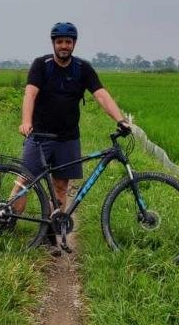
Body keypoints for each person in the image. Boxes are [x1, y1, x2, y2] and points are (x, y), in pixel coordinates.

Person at [15, 22, 130, 243]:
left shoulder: (82, 68)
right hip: (40, 136)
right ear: (53, 43)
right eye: (59, 42)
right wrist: (26, 122)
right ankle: (5, 222)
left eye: (68, 42)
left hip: (68, 138)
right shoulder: (41, 65)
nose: (64, 46)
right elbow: (30, 94)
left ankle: (51, 234)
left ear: (74, 44)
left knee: (61, 186)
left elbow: (101, 95)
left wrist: (121, 120)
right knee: (24, 182)